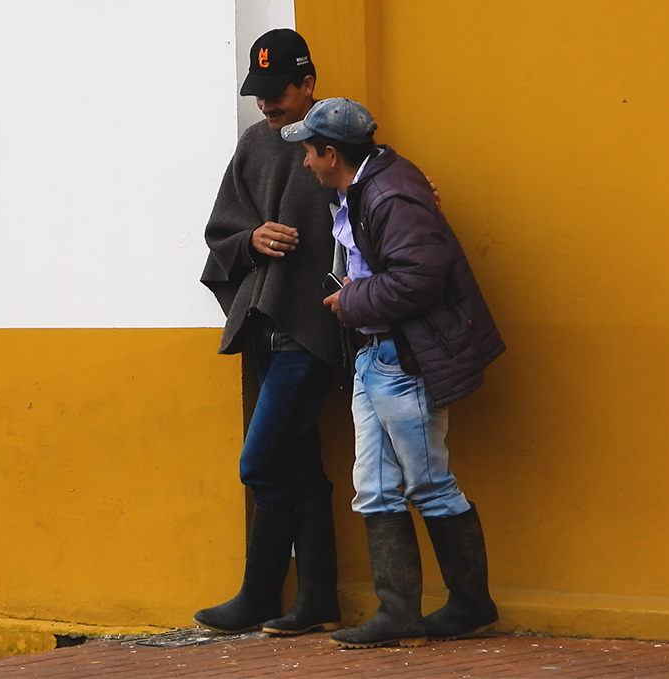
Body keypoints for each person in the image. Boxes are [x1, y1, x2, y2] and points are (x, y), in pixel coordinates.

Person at [279, 97, 504, 649]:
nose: (305, 162)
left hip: (402, 356)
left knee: (427, 481)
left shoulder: (388, 194)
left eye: (309, 152)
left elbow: (418, 280)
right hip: (377, 356)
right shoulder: (367, 185)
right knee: (374, 486)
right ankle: (397, 613)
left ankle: (472, 605)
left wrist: (351, 302)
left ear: (332, 153)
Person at [194, 28, 342, 637]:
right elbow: (222, 231)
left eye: (277, 91)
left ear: (307, 84)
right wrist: (251, 241)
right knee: (300, 463)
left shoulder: (337, 141)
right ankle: (316, 600)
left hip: (313, 330)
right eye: (259, 93)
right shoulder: (254, 144)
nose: (266, 104)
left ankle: (259, 596)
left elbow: (375, 207)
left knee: (259, 462)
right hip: (265, 331)